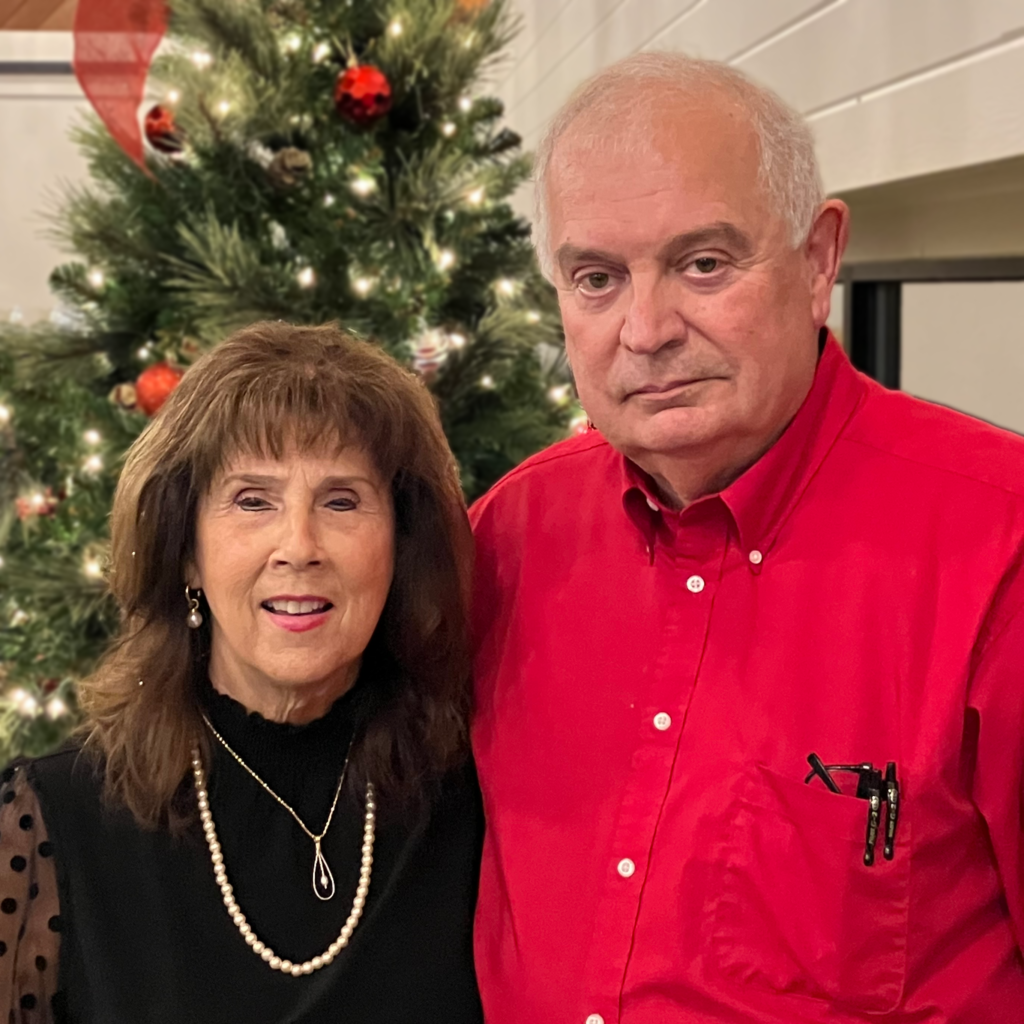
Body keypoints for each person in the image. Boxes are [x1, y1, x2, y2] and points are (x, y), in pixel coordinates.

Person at [470, 52, 1024, 1024]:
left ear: (818, 261)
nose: (644, 329)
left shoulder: (998, 542)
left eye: (703, 264)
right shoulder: (505, 536)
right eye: (595, 278)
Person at [0, 322, 484, 1023]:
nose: (299, 546)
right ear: (187, 550)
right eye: (253, 500)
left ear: (400, 546)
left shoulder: (475, 795)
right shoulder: (47, 824)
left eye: (342, 500)